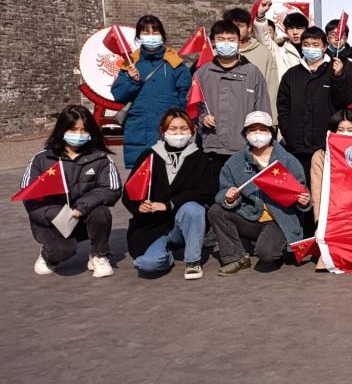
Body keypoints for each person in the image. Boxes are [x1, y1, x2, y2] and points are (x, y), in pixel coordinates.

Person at [208, 111, 311, 274]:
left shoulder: (288, 160)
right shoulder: (235, 162)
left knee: (267, 255)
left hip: (278, 221)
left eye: (263, 129)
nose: (258, 134)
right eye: (252, 130)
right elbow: (222, 192)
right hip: (249, 217)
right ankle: (236, 257)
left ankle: (279, 244)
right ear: (245, 134)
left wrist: (304, 201)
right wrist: (229, 198)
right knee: (216, 210)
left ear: (271, 132)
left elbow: (302, 191)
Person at [23, 106, 121, 277]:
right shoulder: (42, 159)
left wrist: (81, 208)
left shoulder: (101, 158)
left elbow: (111, 188)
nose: (79, 134)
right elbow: (28, 195)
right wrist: (60, 214)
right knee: (61, 252)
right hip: (51, 221)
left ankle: (99, 254)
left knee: (101, 212)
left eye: (84, 130)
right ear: (62, 129)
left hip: (82, 216)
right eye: (73, 129)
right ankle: (49, 254)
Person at [122, 109, 217, 279]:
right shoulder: (149, 156)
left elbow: (206, 191)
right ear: (163, 131)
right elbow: (130, 191)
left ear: (192, 131)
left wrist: (169, 204)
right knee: (147, 265)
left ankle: (193, 261)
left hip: (182, 225)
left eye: (183, 128)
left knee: (193, 208)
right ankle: (166, 254)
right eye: (173, 129)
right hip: (152, 228)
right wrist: (139, 205)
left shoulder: (200, 158)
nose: (178, 133)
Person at [276, 26, 352, 182]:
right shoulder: (292, 74)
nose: (310, 48)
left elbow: (345, 101)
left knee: (325, 186)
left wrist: (338, 77)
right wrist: (288, 132)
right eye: (306, 44)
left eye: (315, 45)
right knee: (301, 187)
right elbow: (283, 107)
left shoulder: (335, 70)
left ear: (324, 47)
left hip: (326, 146)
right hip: (297, 146)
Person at [194, 20, 272, 176]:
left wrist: (259, 139)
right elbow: (193, 107)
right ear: (213, 42)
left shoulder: (252, 72)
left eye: (231, 39)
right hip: (212, 146)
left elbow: (263, 110)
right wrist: (203, 118)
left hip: (244, 147)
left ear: (239, 42)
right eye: (221, 39)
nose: (226, 43)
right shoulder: (202, 73)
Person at [111, 15, 191, 167]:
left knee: (171, 174)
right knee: (141, 176)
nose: (151, 36)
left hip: (169, 130)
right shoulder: (131, 62)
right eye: (145, 32)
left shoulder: (174, 63)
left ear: (162, 35)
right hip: (140, 130)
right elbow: (118, 95)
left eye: (155, 32)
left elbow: (186, 95)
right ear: (139, 36)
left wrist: (179, 122)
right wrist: (131, 80)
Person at [227, 6, 280, 121]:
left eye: (240, 26)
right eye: (231, 26)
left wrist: (272, 120)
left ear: (249, 27)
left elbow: (271, 88)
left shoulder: (263, 53)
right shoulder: (215, 54)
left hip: (256, 120)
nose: (235, 30)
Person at [310, 109, 352, 223]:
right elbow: (317, 193)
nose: (345, 133)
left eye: (350, 130)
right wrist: (319, 221)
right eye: (340, 130)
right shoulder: (320, 156)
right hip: (332, 214)